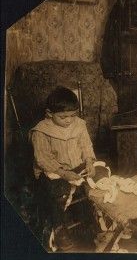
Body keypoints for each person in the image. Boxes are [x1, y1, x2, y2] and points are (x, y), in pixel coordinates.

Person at [30, 86, 96, 251]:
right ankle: (59, 228)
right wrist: (63, 173)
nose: (69, 120)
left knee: (97, 185)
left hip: (77, 166)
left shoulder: (79, 125)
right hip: (54, 170)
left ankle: (89, 221)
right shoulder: (41, 131)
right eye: (63, 117)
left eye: (73, 115)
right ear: (49, 113)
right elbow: (43, 158)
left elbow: (86, 146)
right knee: (58, 193)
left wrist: (89, 162)